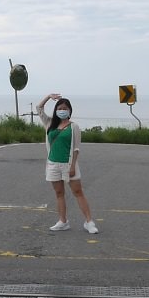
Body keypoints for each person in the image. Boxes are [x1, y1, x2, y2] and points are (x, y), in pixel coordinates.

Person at [36, 92, 98, 234]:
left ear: (69, 111)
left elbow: (76, 148)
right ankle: (63, 221)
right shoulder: (50, 123)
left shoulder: (74, 127)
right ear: (56, 110)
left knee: (78, 192)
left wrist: (72, 166)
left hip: (69, 164)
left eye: (65, 108)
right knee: (59, 193)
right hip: (53, 164)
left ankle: (89, 221)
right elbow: (39, 108)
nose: (62, 111)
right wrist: (48, 96)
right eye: (59, 108)